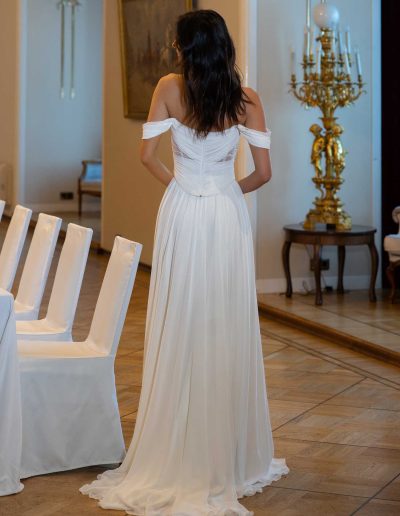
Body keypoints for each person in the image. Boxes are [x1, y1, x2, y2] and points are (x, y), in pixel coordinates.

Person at [80, 9, 288, 515]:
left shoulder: (170, 87)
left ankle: (178, 443)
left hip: (182, 211)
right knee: (225, 319)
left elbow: (147, 155)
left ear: (185, 48)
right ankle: (228, 454)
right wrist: (223, 192)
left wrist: (183, 186)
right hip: (225, 213)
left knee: (181, 317)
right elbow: (262, 174)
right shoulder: (247, 100)